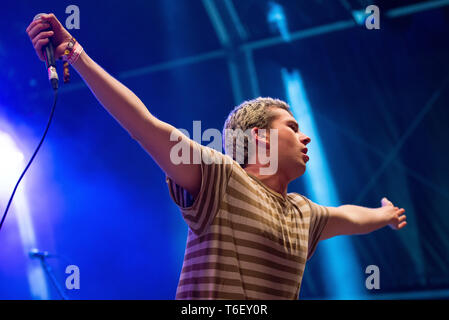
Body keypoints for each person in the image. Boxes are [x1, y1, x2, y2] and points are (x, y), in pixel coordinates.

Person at [26, 13, 407, 300]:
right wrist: (76, 54)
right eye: (291, 127)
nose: (305, 136)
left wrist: (385, 215)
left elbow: (350, 216)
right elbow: (142, 123)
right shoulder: (221, 178)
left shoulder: (304, 213)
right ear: (258, 138)